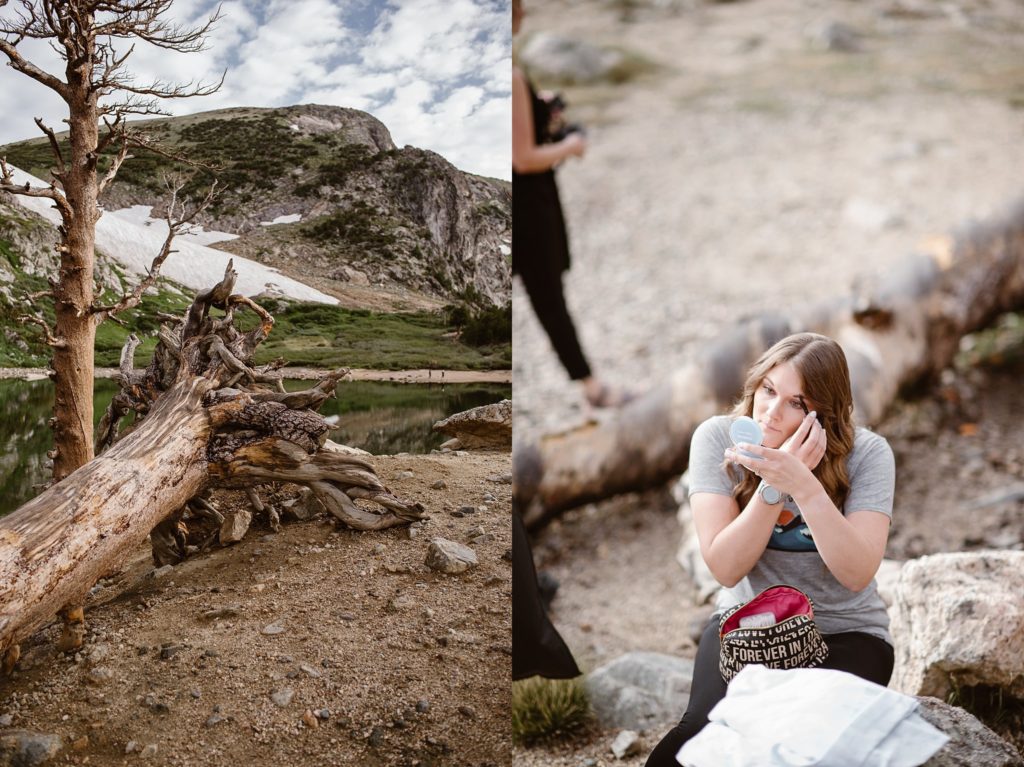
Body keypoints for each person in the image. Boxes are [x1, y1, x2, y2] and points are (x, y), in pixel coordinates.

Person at [646, 332, 896, 766]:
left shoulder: (868, 455)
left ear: (825, 413)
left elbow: (856, 572)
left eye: (797, 403)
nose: (772, 413)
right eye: (768, 390)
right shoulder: (715, 438)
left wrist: (804, 483)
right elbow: (725, 568)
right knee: (690, 745)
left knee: (797, 746)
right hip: (746, 625)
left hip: (846, 632)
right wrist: (772, 488)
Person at [512, 0, 629, 408]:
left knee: (541, 296)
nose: (524, 14)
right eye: (518, 6)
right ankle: (591, 387)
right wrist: (571, 145)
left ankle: (583, 385)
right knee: (548, 296)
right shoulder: (510, 75)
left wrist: (539, 110)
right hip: (528, 207)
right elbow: (523, 159)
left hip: (528, 202)